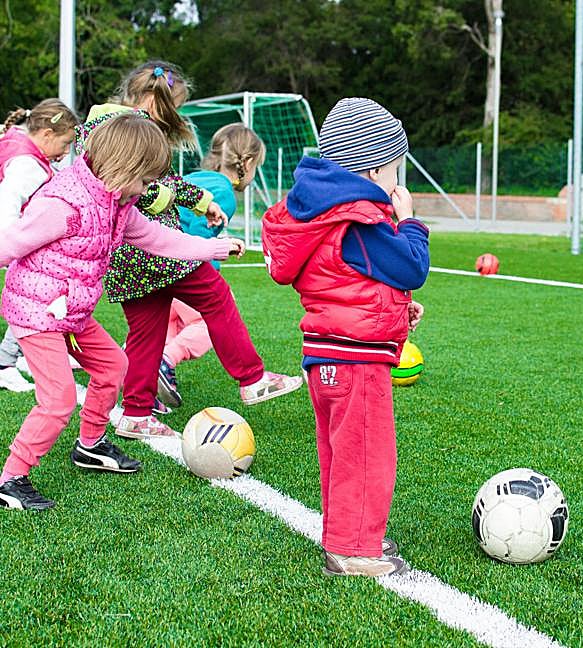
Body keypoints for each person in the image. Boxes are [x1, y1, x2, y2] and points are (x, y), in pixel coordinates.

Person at [0, 113, 245, 511]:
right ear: (124, 168)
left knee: (115, 366)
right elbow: (10, 244)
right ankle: (11, 478)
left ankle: (91, 445)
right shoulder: (62, 205)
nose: (150, 190)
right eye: (147, 181)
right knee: (59, 400)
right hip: (37, 312)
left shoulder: (118, 204)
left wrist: (215, 248)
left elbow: (158, 239)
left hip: (72, 313)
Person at [78, 61, 302, 439]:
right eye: (173, 107)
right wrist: (169, 200)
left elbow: (163, 179)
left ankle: (135, 413)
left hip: (125, 257)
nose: (175, 116)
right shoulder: (126, 129)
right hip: (154, 249)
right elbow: (136, 186)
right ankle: (252, 378)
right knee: (216, 297)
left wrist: (202, 202)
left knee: (146, 332)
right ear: (153, 100)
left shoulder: (106, 123)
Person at [262, 98, 430, 577]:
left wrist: (398, 312)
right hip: (354, 362)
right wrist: (410, 221)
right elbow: (411, 266)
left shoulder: (325, 214)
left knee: (342, 453)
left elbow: (350, 282)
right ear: (374, 168)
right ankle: (353, 549)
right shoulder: (358, 219)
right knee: (365, 454)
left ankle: (347, 532)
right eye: (396, 168)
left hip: (329, 354)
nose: (399, 181)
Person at [157, 123, 266, 409]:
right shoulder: (225, 194)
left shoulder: (195, 178)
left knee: (166, 325)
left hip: (156, 265)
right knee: (208, 322)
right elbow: (198, 233)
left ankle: (141, 375)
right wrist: (216, 250)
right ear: (249, 163)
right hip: (183, 269)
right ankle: (166, 362)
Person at [0, 99, 79, 393]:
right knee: (34, 301)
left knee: (34, 301)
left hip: (17, 245)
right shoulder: (27, 165)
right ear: (46, 134)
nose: (65, 152)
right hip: (15, 246)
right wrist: (10, 246)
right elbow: (7, 201)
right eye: (65, 143)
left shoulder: (21, 145)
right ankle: (5, 363)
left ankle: (15, 357)